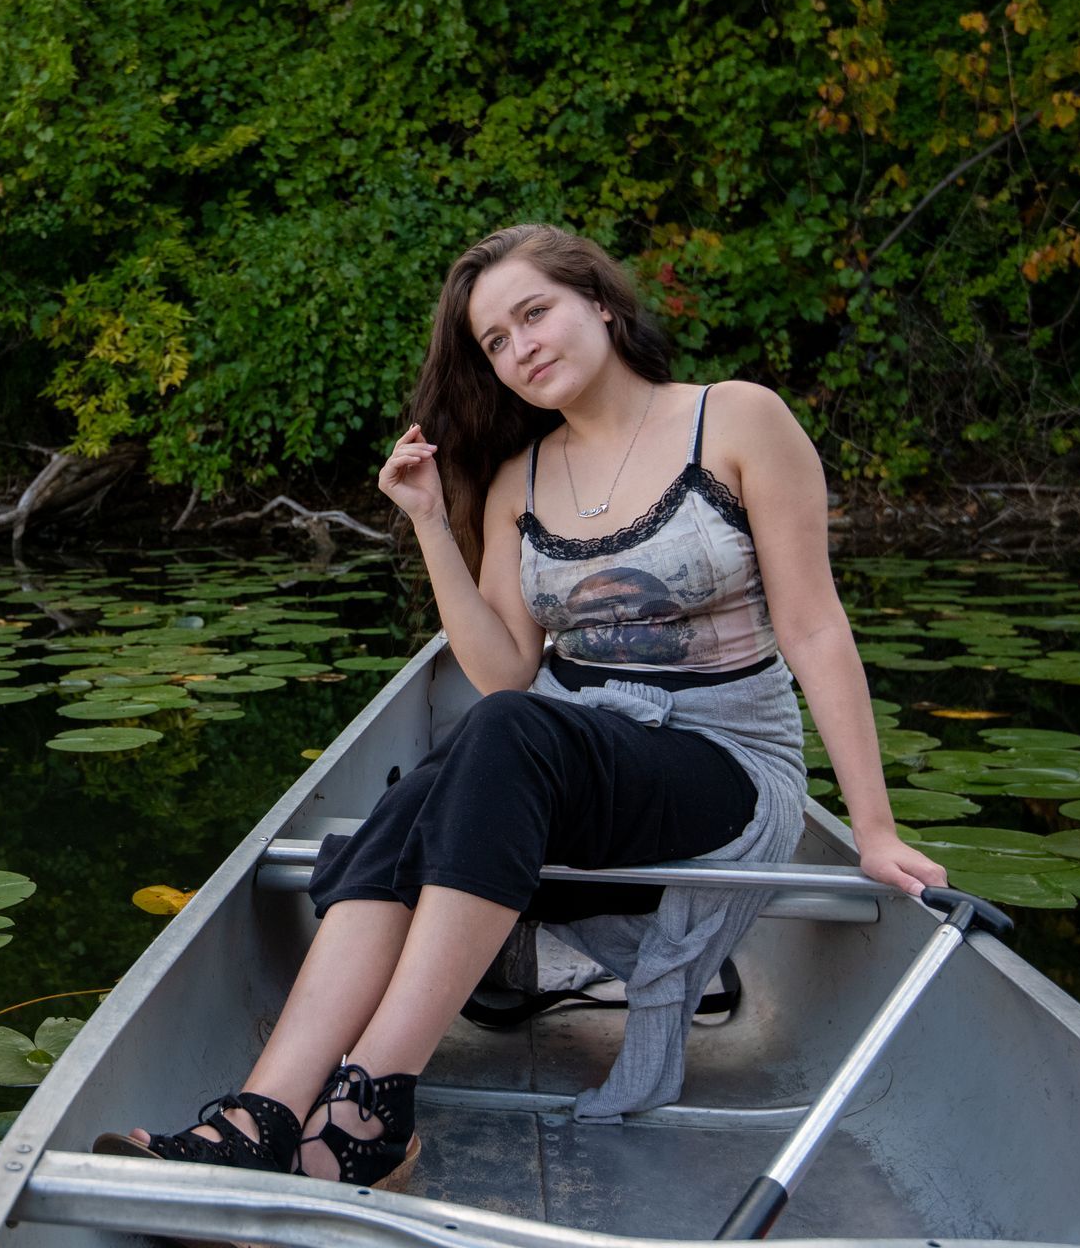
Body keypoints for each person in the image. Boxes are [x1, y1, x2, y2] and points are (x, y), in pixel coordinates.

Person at [94, 222, 947, 1194]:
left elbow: (815, 628)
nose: (519, 346)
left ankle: (372, 1097)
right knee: (443, 776)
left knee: (492, 739)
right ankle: (268, 1110)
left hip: (723, 772)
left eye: (532, 313)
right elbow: (507, 670)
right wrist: (428, 523)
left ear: (603, 302)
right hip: (573, 774)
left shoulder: (739, 420)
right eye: (495, 341)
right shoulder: (517, 480)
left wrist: (873, 827)